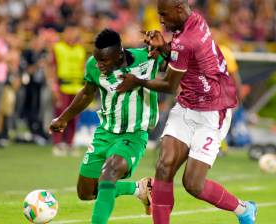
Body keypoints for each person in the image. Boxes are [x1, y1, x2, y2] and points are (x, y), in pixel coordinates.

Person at [116, 0, 257, 224]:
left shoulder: (186, 40)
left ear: (179, 9)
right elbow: (181, 54)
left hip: (213, 111)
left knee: (193, 184)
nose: (161, 20)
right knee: (164, 166)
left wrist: (137, 81)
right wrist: (164, 47)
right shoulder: (195, 21)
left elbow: (169, 85)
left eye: (164, 14)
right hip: (187, 105)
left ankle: (243, 209)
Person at [49, 29, 165, 224]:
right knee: (86, 193)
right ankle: (139, 189)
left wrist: (166, 48)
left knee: (110, 172)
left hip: (133, 134)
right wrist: (63, 118)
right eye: (97, 59)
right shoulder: (93, 66)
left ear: (119, 54)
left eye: (104, 61)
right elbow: (87, 93)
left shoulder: (146, 58)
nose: (99, 65)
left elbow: (177, 63)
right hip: (105, 133)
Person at [50, 25, 87, 156]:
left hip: (77, 87)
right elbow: (52, 68)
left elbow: (83, 68)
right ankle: (57, 143)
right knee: (61, 115)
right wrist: (53, 86)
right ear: (64, 33)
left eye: (73, 31)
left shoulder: (81, 49)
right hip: (62, 87)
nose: (71, 34)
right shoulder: (58, 48)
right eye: (69, 31)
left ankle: (69, 143)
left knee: (74, 117)